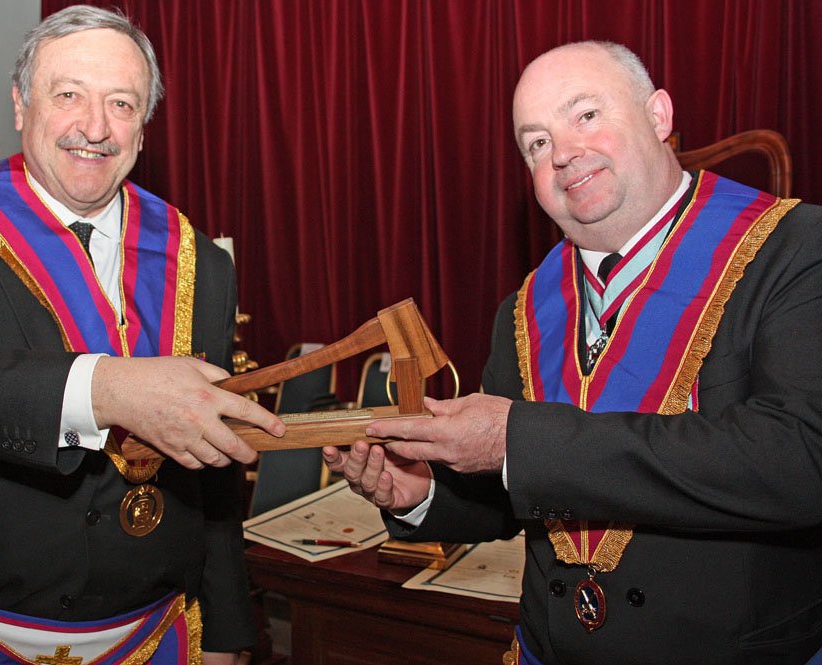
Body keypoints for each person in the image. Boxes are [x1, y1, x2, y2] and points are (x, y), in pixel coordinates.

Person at [324, 40, 822, 664]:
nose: (561, 154)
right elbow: (513, 493)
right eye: (536, 143)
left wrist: (513, 441)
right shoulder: (525, 309)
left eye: (586, 115)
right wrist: (424, 492)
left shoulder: (795, 251)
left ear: (659, 115)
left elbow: (801, 459)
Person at [0, 6, 284, 665]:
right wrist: (106, 389)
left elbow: (214, 468)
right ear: (20, 104)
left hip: (151, 635)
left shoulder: (200, 261)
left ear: (143, 125)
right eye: (68, 96)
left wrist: (227, 629)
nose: (95, 127)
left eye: (122, 103)